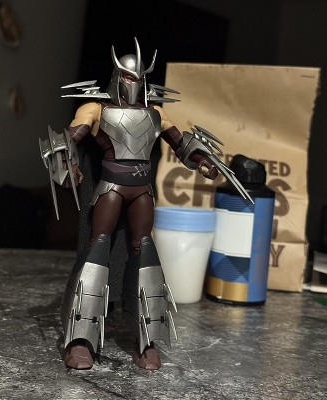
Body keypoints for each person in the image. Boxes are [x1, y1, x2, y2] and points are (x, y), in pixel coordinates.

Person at [40, 38, 251, 370]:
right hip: (110, 187)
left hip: (142, 191)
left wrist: (203, 163)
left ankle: (147, 341)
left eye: (138, 78)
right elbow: (68, 141)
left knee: (145, 254)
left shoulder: (156, 112)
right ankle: (80, 340)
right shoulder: (95, 109)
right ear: (117, 76)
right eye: (128, 77)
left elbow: (182, 144)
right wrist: (68, 166)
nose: (133, 83)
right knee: (97, 250)